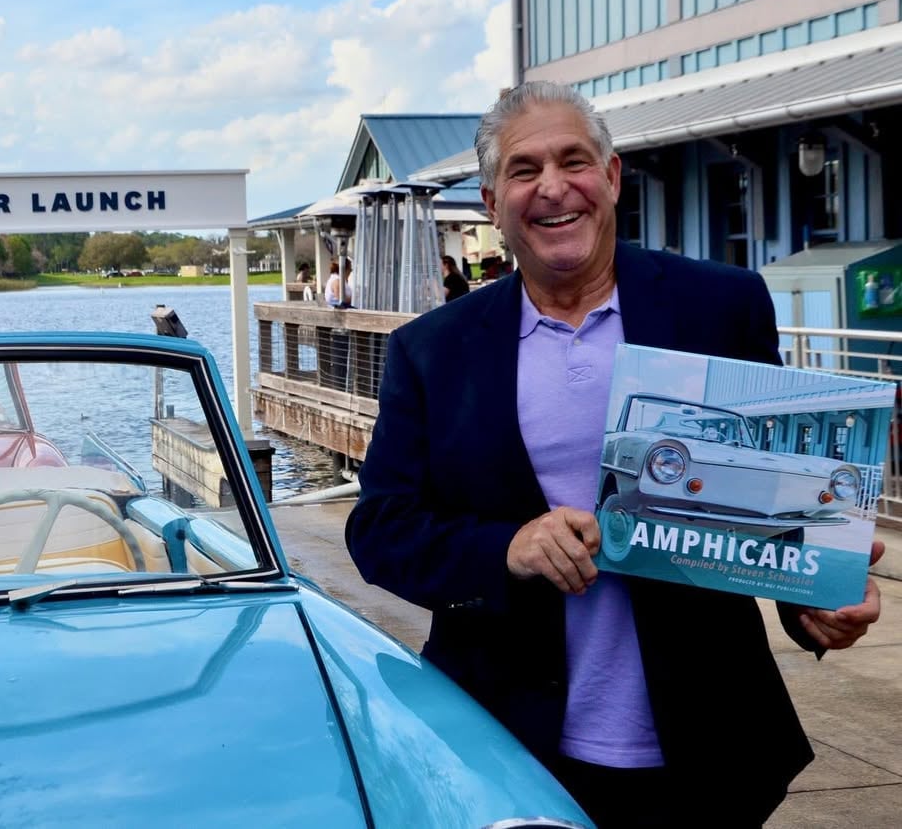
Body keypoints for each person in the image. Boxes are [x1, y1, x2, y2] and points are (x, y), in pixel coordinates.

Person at [345, 81, 883, 828]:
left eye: (574, 160)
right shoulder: (432, 352)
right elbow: (380, 530)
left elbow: (774, 500)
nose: (554, 186)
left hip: (706, 743)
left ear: (613, 176)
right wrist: (509, 547)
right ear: (491, 200)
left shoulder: (721, 306)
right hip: (513, 745)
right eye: (525, 170)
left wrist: (817, 595)